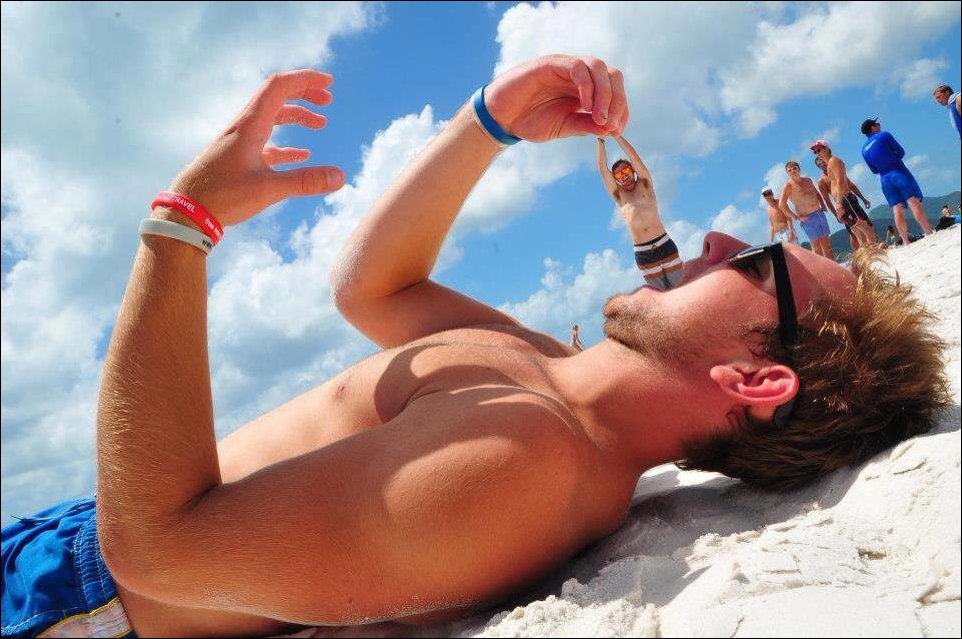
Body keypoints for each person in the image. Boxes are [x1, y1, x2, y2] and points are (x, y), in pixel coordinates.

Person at [2, 57, 951, 638]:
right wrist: (490, 121)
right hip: (76, 541)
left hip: (83, 594)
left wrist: (182, 224)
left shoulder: (532, 460)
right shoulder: (553, 379)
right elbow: (369, 290)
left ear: (755, 377)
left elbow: (158, 550)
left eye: (749, 261)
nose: (714, 237)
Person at [597, 135, 682, 289]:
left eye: (626, 170)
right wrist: (601, 140)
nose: (623, 175)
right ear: (616, 178)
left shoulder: (645, 183)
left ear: (633, 170)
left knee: (682, 290)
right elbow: (603, 169)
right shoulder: (618, 195)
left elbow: (633, 155)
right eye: (618, 174)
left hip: (664, 243)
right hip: (643, 253)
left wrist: (616, 134)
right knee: (661, 298)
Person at [860, 118, 932, 245]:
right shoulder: (884, 135)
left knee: (896, 209)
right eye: (877, 124)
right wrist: (893, 159)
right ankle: (928, 232)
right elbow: (901, 152)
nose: (879, 125)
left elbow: (874, 170)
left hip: (884, 180)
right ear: (873, 127)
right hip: (897, 172)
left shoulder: (864, 150)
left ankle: (905, 240)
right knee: (913, 201)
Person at [811, 141, 877, 250]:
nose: (817, 153)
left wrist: (839, 203)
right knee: (855, 229)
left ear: (826, 148)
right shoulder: (826, 173)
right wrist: (836, 210)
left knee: (862, 225)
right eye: (815, 152)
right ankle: (868, 251)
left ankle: (875, 249)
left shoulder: (834, 161)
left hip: (845, 199)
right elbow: (827, 199)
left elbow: (842, 182)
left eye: (819, 150)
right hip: (842, 201)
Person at [778, 160, 835, 260]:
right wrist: (796, 217)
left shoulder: (808, 180)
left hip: (819, 214)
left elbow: (817, 193)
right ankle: (819, 270)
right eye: (789, 170)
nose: (792, 171)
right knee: (816, 249)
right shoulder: (788, 186)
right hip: (807, 219)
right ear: (787, 173)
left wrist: (823, 205)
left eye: (794, 168)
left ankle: (834, 268)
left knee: (827, 245)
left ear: (798, 169)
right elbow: (781, 204)